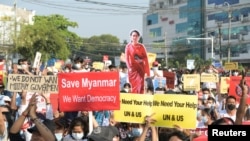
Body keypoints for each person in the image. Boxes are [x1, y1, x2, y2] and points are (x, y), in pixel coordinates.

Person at [125, 29, 150, 94]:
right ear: (131, 37)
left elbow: (146, 58)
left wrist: (147, 72)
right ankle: (134, 99)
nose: (134, 37)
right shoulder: (128, 46)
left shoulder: (141, 46)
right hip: (132, 70)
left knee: (140, 85)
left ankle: (140, 100)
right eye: (133, 36)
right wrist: (129, 68)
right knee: (133, 86)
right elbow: (127, 58)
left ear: (138, 37)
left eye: (136, 36)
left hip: (140, 69)